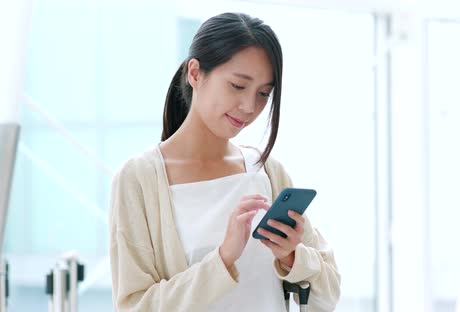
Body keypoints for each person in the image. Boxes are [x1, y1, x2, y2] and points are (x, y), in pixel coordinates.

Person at [109, 12, 341, 311]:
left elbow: (329, 292)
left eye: (263, 94)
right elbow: (134, 306)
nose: (249, 107)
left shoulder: (267, 171)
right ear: (195, 73)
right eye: (237, 86)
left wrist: (293, 257)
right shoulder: (139, 179)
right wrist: (222, 260)